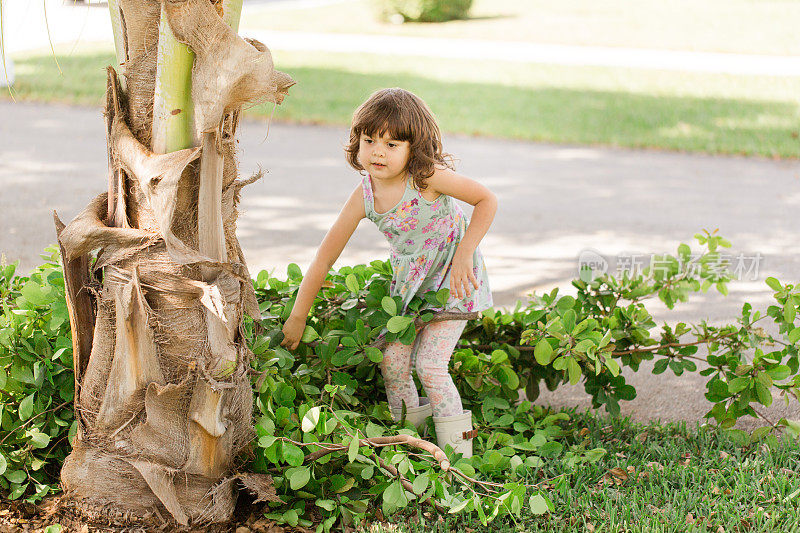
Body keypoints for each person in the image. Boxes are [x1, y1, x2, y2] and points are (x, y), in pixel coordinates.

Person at [281, 88, 496, 457]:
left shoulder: (427, 178)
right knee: (393, 362)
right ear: (357, 143)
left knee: (430, 365)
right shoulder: (364, 195)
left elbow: (486, 199)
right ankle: (410, 440)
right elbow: (323, 260)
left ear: (414, 148)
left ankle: (461, 456)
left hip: (452, 280)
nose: (378, 152)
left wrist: (465, 253)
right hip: (410, 289)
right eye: (369, 141)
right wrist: (297, 317)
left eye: (392, 144)